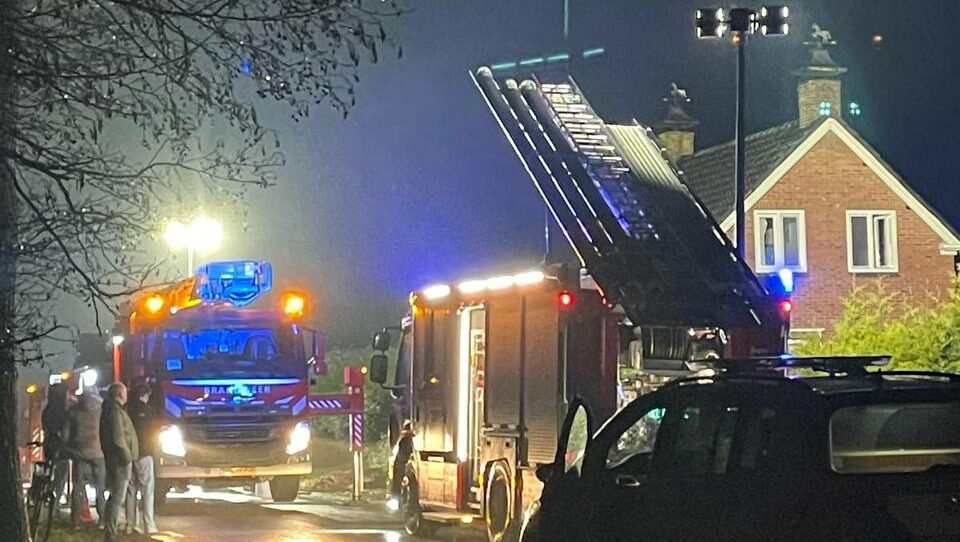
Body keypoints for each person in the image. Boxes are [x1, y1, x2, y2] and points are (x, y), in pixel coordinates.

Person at [99, 382, 138, 542]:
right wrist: (127, 457)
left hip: (116, 459)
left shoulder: (112, 409)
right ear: (120, 394)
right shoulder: (115, 411)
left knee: (115, 496)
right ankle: (111, 534)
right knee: (117, 497)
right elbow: (118, 437)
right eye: (125, 392)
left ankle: (110, 530)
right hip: (120, 461)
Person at [64, 389, 106, 528]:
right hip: (98, 453)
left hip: (79, 453)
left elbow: (65, 435)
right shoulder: (100, 410)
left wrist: (68, 448)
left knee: (78, 488)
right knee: (100, 488)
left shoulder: (73, 412)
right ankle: (102, 520)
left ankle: (75, 522)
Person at [125, 383, 158, 534]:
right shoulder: (148, 411)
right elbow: (153, 433)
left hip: (129, 454)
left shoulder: (126, 410)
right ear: (144, 395)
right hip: (145, 454)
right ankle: (149, 525)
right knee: (147, 490)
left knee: (131, 489)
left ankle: (131, 524)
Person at [41, 382, 70, 505]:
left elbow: (45, 427)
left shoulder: (47, 410)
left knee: (48, 467)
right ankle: (57, 498)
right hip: (61, 445)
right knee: (62, 471)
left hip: (48, 444)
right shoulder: (64, 412)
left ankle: (43, 490)